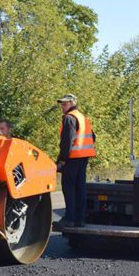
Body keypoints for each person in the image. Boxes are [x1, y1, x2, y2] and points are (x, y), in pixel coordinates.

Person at [54, 93, 96, 228]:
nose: (62, 106)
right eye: (62, 104)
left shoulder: (69, 118)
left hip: (72, 159)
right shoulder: (82, 117)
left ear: (72, 103)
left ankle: (69, 219)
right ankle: (79, 220)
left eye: (65, 104)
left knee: (69, 189)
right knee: (80, 189)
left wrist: (62, 161)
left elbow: (67, 141)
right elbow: (93, 137)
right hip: (83, 158)